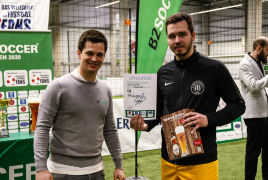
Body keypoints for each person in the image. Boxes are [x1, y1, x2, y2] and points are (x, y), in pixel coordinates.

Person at [130, 12, 245, 180]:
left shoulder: (214, 68)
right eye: (172, 36)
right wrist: (145, 125)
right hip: (169, 160)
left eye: (182, 34)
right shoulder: (163, 73)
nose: (177, 40)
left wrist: (208, 119)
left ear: (193, 35)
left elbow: (238, 105)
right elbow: (160, 110)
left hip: (201, 162)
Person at [34, 29, 125, 180]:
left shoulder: (105, 89)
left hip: (97, 171)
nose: (94, 59)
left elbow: (109, 130)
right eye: (89, 53)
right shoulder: (58, 86)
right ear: (79, 53)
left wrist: (119, 165)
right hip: (62, 172)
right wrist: (41, 168)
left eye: (99, 54)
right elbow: (42, 128)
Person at [238, 37, 268, 180]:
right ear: (259, 48)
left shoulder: (259, 63)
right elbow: (254, 86)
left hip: (264, 114)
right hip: (254, 117)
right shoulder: (244, 64)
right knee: (253, 153)